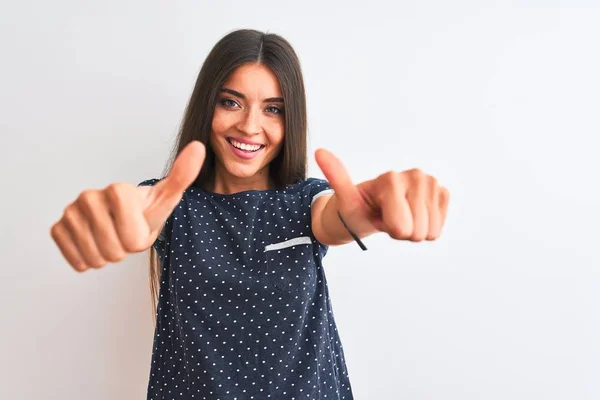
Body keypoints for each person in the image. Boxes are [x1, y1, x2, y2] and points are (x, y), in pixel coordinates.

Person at [50, 29, 449, 399]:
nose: (249, 126)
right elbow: (142, 212)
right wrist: (116, 219)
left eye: (273, 109)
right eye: (231, 102)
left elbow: (336, 217)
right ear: (207, 105)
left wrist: (371, 210)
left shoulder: (304, 201)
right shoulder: (172, 204)